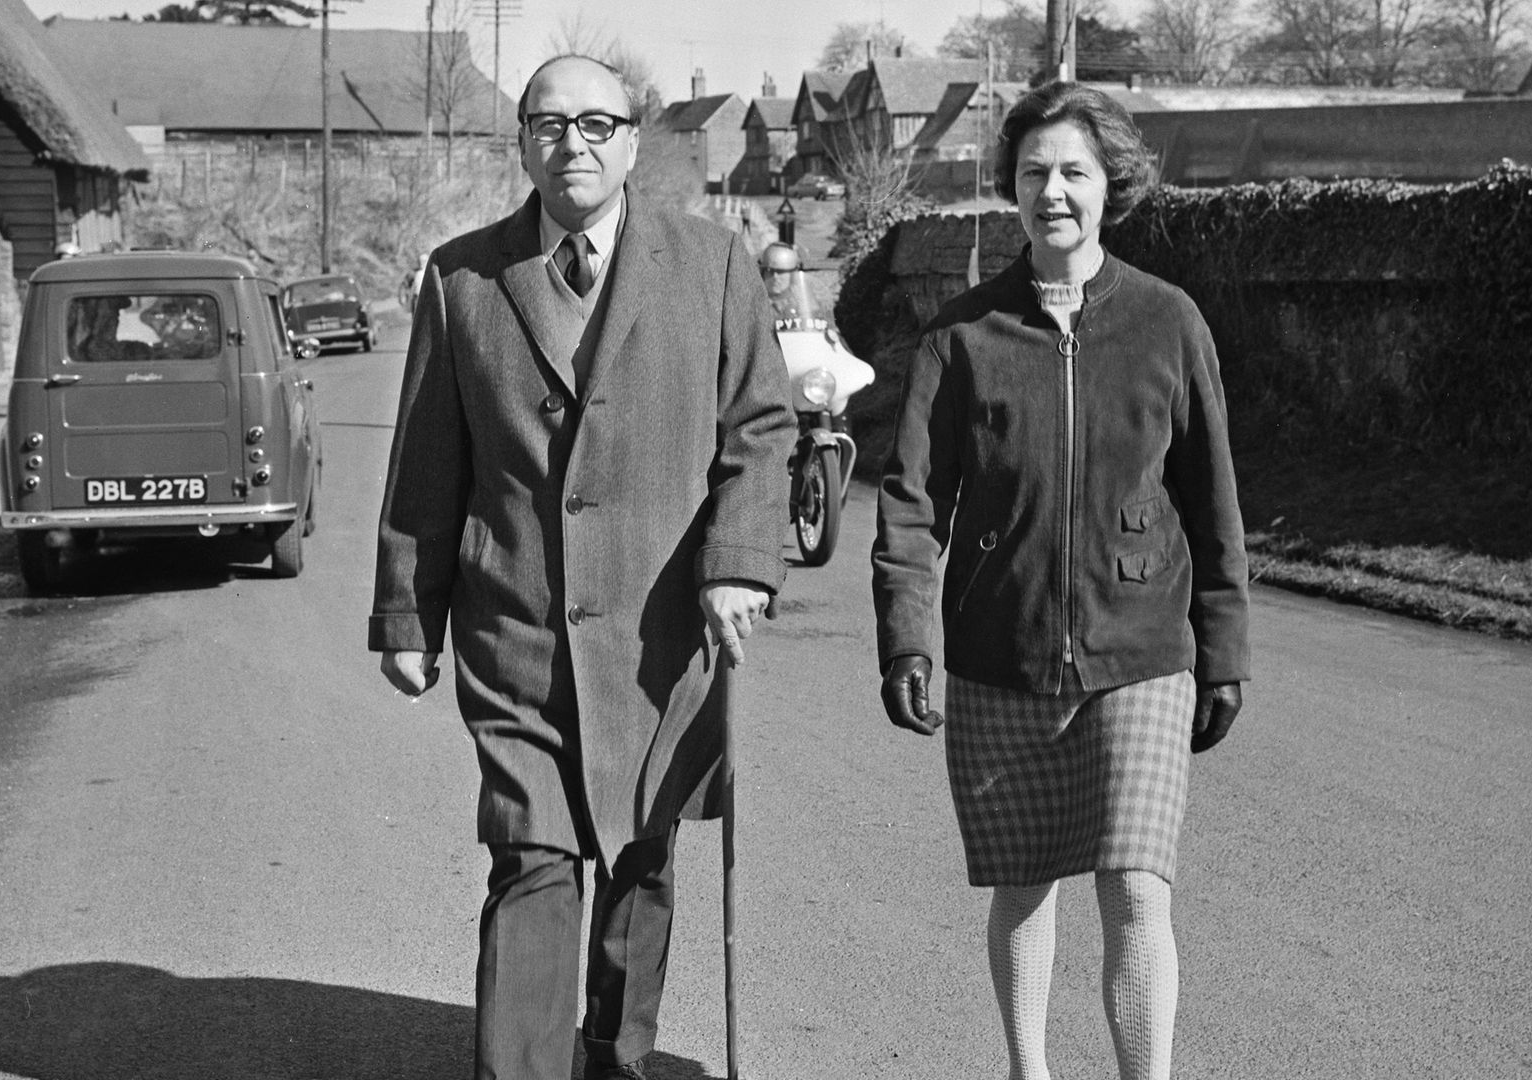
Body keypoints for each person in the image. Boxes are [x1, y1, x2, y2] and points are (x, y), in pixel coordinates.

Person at [370, 54, 793, 1080]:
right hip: (514, 626)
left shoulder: (713, 264)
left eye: (598, 124)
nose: (574, 145)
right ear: (522, 142)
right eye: (550, 125)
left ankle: (613, 1054)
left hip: (661, 635)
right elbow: (428, 458)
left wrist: (739, 563)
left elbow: (763, 429)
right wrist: (406, 616)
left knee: (643, 857)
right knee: (534, 857)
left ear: (634, 141)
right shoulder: (462, 276)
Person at [870, 81, 1250, 1080]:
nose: (1053, 193)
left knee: (1135, 884)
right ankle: (1029, 1071)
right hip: (1002, 651)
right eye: (1034, 173)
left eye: (1074, 172)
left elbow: (1212, 501)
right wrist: (909, 637)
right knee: (1025, 882)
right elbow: (910, 504)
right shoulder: (964, 337)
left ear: (1109, 184)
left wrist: (1226, 649)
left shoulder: (1169, 324)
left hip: (1143, 647)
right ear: (1012, 190)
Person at [758, 241, 814, 321]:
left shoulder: (803, 297)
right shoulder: (754, 300)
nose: (775, 277)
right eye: (769, 270)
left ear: (792, 274)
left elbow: (820, 322)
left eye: (781, 271)